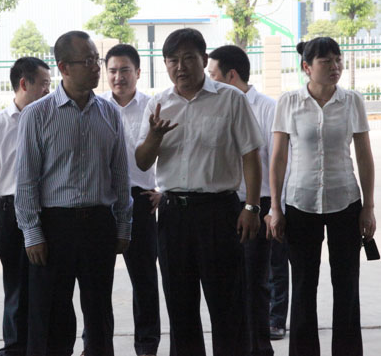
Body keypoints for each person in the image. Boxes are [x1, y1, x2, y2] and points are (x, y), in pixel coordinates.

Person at [135, 28, 264, 356]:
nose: (180, 66)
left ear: (204, 60)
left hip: (219, 213)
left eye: (188, 58)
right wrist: (154, 136)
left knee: (227, 307)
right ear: (165, 64)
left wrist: (251, 207)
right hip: (174, 216)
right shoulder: (158, 104)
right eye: (172, 60)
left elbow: (251, 155)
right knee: (180, 310)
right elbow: (142, 161)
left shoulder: (230, 99)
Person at [15, 30, 133, 356]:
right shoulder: (37, 115)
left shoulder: (110, 113)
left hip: (98, 224)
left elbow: (120, 175)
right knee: (52, 316)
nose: (97, 67)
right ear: (64, 67)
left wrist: (124, 225)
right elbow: (26, 180)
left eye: (97, 59)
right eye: (89, 61)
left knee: (99, 313)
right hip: (55, 226)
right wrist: (32, 233)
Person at [269, 37, 376, 356]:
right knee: (303, 285)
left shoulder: (352, 101)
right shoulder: (289, 102)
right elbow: (278, 158)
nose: (335, 66)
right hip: (300, 203)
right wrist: (275, 208)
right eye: (326, 61)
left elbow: (364, 156)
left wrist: (368, 206)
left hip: (345, 201)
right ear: (307, 67)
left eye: (338, 59)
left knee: (347, 285)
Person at [208, 45, 276, 356]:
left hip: (257, 204)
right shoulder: (216, 105)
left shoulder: (267, 108)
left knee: (255, 282)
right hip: (223, 204)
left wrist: (272, 208)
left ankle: (260, 347)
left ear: (231, 75)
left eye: (213, 74)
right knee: (226, 282)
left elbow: (277, 162)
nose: (209, 80)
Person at [0, 57, 50, 356]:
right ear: (24, 84)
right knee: (17, 287)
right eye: (44, 84)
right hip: (11, 212)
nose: (48, 90)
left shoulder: (50, 118)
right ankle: (15, 349)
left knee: (47, 287)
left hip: (47, 210)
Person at [94, 44, 161, 356]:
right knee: (96, 281)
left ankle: (147, 345)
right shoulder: (95, 107)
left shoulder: (153, 107)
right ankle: (96, 343)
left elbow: (171, 151)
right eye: (112, 71)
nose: (118, 77)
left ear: (138, 72)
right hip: (103, 202)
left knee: (144, 279)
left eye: (124, 70)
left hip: (141, 201)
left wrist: (164, 190)